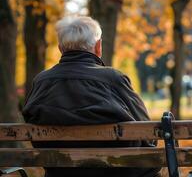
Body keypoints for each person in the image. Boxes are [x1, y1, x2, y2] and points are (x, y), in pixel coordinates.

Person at [22, 16, 161, 177]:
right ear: (98, 47)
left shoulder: (41, 82)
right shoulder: (113, 79)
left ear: (60, 48)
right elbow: (148, 133)